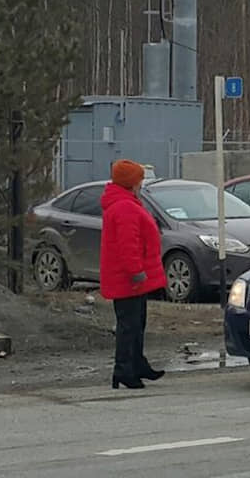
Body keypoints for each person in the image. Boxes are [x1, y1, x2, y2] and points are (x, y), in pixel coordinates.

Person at [100, 159, 168, 389]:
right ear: (131, 182)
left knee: (136, 323)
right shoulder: (125, 207)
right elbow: (128, 244)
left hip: (131, 278)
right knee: (129, 325)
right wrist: (136, 271)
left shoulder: (126, 203)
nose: (142, 183)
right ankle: (124, 369)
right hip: (129, 278)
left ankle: (136, 364)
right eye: (140, 179)